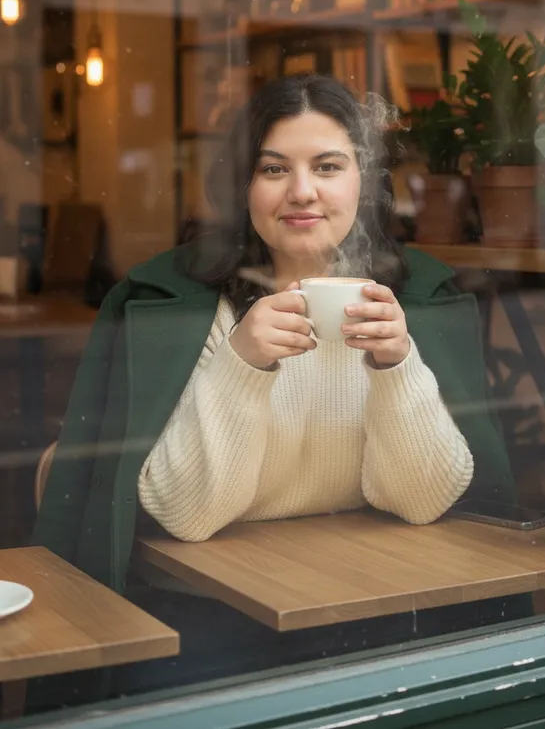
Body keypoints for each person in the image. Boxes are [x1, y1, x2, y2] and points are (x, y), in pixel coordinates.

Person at [33, 74, 516, 702]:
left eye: (328, 166)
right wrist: (243, 361)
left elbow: (421, 502)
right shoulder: (182, 306)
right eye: (273, 168)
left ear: (365, 182)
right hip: (209, 616)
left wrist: (396, 366)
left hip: (380, 603)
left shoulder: (415, 302)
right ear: (244, 186)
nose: (302, 191)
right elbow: (187, 515)